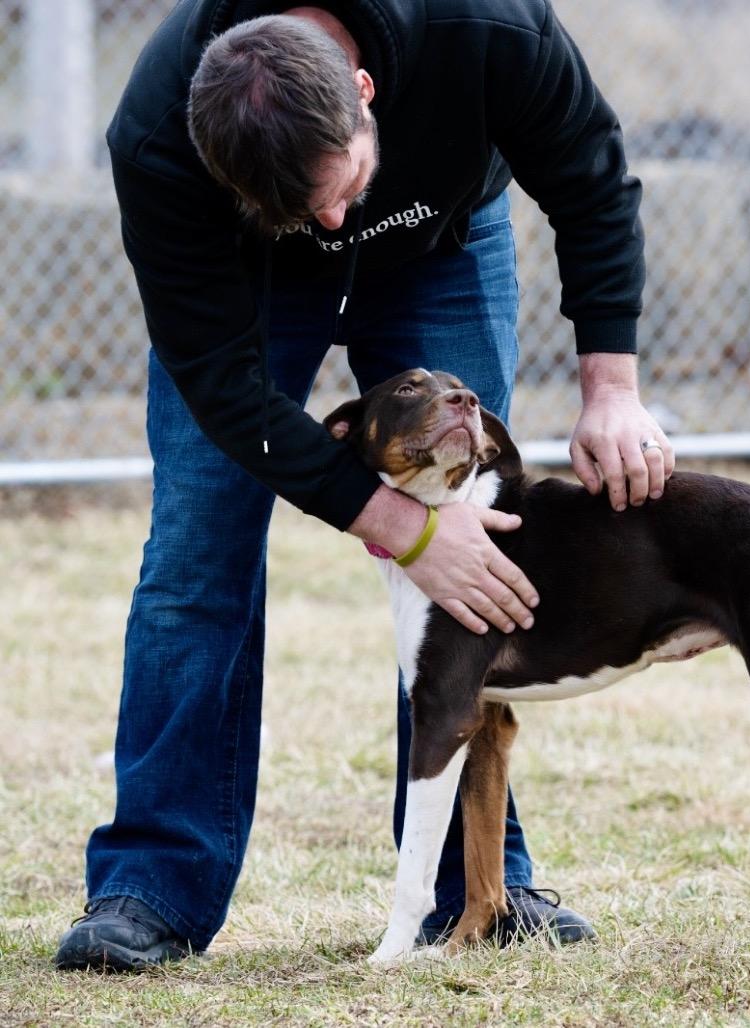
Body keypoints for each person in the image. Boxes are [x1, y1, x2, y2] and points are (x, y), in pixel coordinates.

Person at [56, 0, 674, 971]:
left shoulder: (488, 27)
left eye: (335, 187)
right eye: (305, 207)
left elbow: (590, 176)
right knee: (192, 558)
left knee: (473, 560)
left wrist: (611, 385)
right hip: (248, 284)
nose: (332, 224)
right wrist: (396, 523)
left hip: (441, 239)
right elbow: (220, 382)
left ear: (362, 91)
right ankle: (151, 886)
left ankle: (475, 887)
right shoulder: (156, 127)